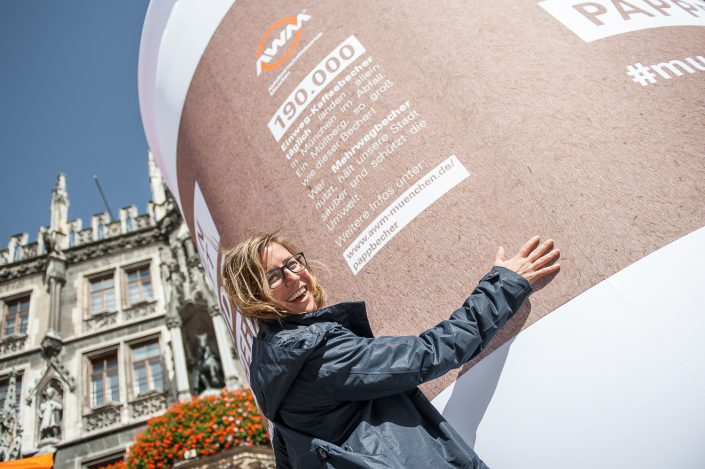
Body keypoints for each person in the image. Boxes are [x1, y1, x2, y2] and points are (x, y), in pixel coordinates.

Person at [222, 234, 560, 468]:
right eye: (274, 277)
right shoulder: (315, 355)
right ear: (254, 298)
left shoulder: (270, 363)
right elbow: (431, 352)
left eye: (293, 263)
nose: (295, 277)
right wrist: (505, 283)